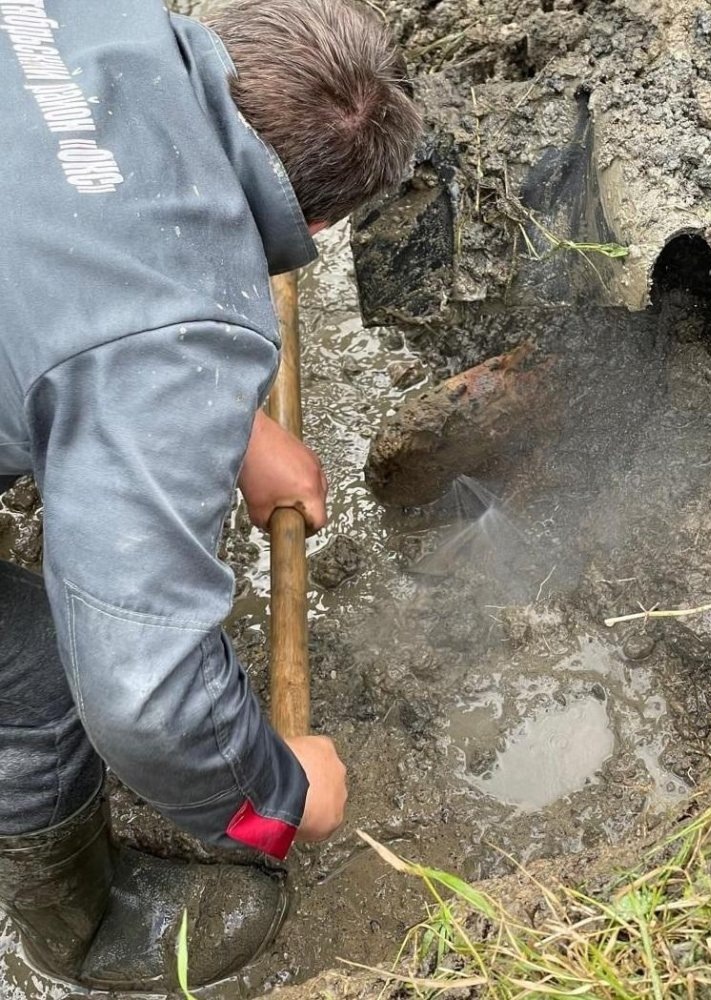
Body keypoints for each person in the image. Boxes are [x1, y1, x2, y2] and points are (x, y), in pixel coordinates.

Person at [0, 0, 421, 990]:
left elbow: (72, 245)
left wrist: (222, 417)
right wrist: (278, 795)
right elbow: (142, 695)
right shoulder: (174, 331)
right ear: (313, 224)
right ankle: (78, 928)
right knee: (36, 673)